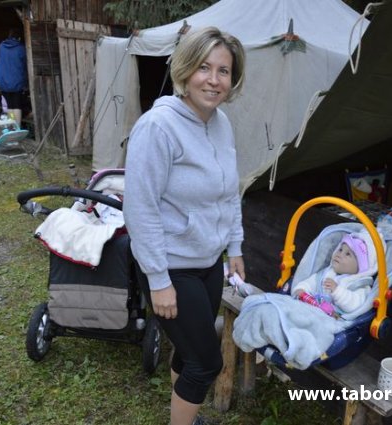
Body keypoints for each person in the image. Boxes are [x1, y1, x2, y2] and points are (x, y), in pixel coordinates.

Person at [123, 27, 246, 425]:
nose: (214, 80)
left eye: (224, 71)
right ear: (185, 69)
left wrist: (235, 246)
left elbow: (229, 191)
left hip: (208, 263)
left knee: (190, 351)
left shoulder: (222, 123)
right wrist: (158, 279)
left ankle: (186, 417)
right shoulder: (157, 127)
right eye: (204, 68)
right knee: (206, 363)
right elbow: (139, 209)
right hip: (171, 265)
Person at [291, 231, 381, 316]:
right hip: (312, 309)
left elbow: (354, 305)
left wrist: (337, 291)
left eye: (348, 254)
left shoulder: (360, 285)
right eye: (340, 250)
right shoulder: (327, 273)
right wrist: (302, 289)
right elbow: (311, 282)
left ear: (361, 266)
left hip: (334, 318)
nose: (339, 254)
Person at [0, 28, 27, 126]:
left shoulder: (1, 46)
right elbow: (24, 64)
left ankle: (11, 127)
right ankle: (17, 128)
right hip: (16, 81)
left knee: (9, 106)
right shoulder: (21, 48)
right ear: (19, 38)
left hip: (3, 81)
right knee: (17, 105)